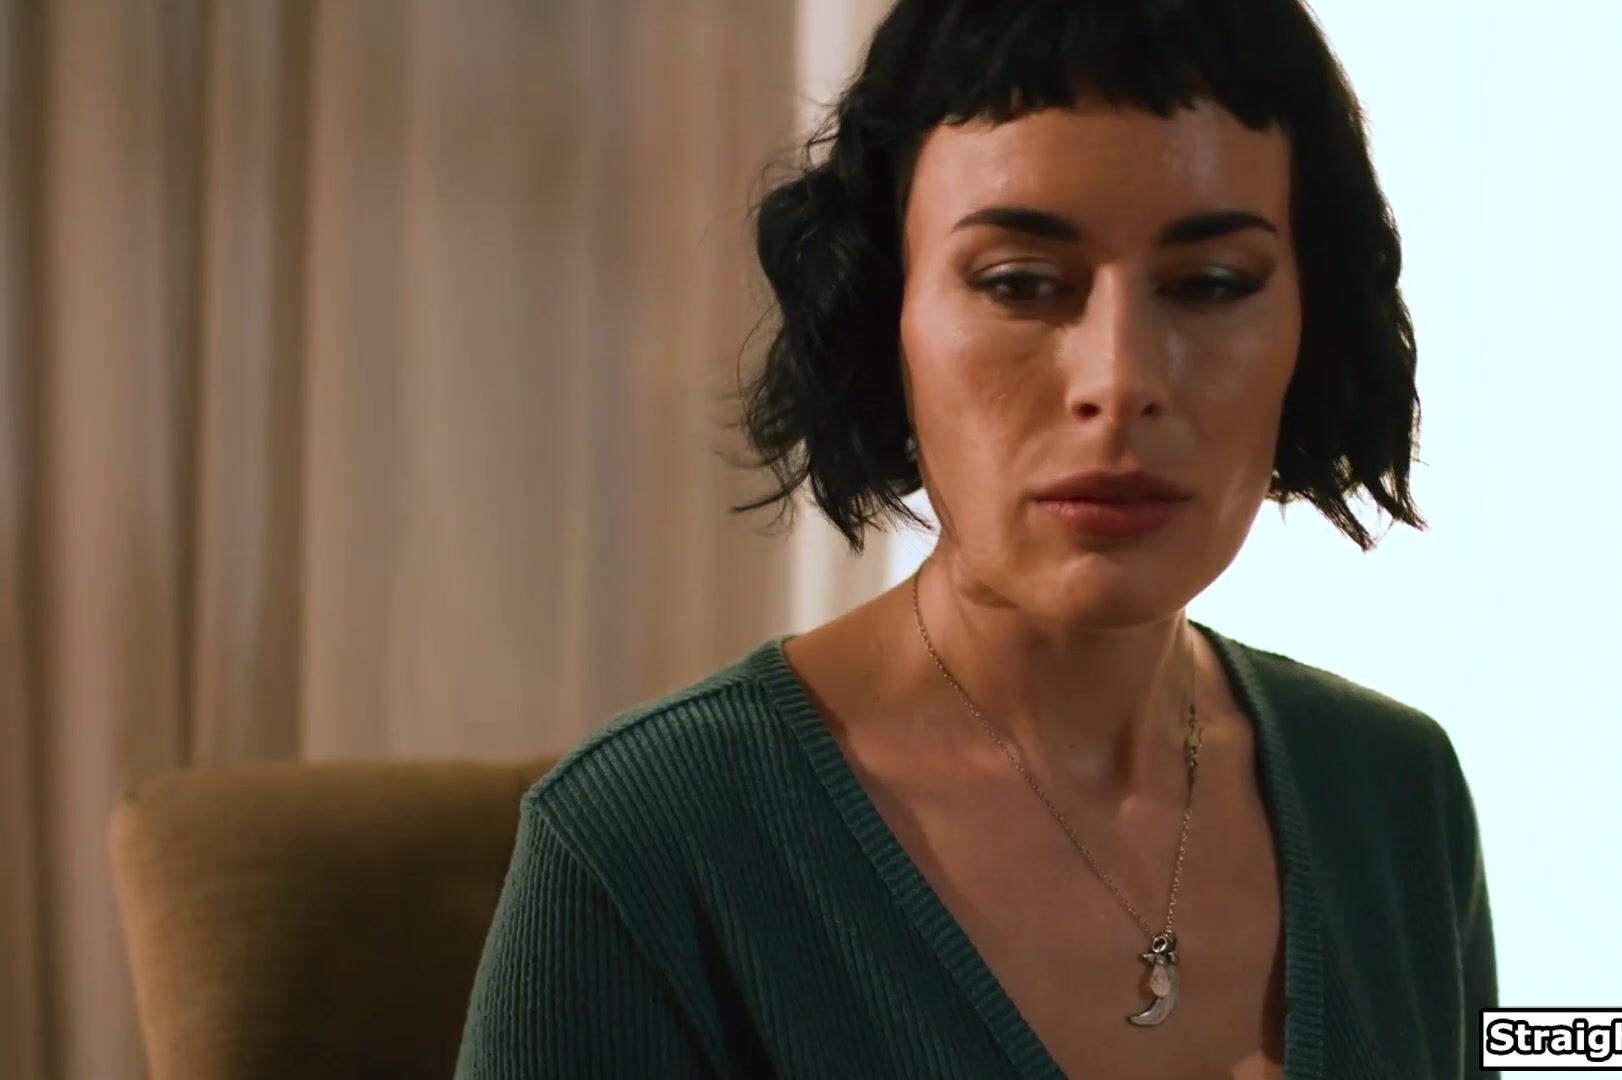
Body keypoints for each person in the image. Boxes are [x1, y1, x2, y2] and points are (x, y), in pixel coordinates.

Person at [455, 1, 1497, 1077]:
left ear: (1310, 327)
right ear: (885, 311)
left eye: (1211, 285)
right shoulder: (647, 844)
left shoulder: (1394, 798)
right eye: (1019, 284)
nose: (1119, 380)